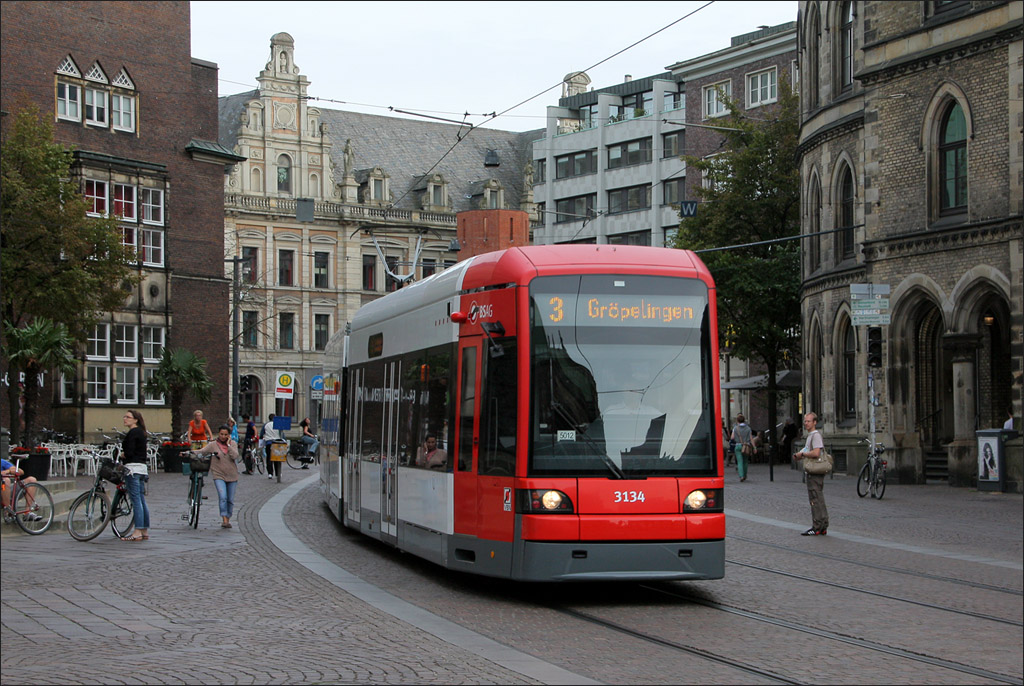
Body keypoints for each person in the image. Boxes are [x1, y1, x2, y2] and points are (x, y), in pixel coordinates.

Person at [197, 424, 241, 528]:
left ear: (229, 435)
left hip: (232, 475)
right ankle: (224, 519)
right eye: (221, 434)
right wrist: (188, 452)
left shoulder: (233, 444)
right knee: (223, 497)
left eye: (225, 434)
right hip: (219, 475)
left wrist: (229, 445)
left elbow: (235, 456)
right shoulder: (213, 445)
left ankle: (228, 516)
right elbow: (202, 452)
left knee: (230, 499)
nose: (223, 436)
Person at [793, 412, 828, 536]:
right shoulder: (810, 436)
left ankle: (818, 526)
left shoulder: (816, 435)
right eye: (805, 421)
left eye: (808, 421)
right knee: (816, 497)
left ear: (814, 422)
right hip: (812, 471)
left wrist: (802, 454)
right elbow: (808, 449)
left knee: (815, 498)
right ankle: (821, 525)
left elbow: (816, 453)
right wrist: (800, 455)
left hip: (815, 471)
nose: (806, 423)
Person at [120, 410, 151, 541]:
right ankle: (144, 529)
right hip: (142, 468)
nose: (125, 419)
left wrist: (123, 454)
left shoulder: (133, 432)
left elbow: (130, 451)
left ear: (135, 419)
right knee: (141, 499)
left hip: (132, 468)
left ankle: (137, 530)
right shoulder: (141, 432)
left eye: (128, 417)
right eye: (125, 416)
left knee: (136, 500)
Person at [730, 414, 753, 482]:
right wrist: (754, 447)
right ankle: (745, 475)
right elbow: (751, 438)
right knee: (745, 461)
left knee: (740, 462)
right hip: (746, 446)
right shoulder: (748, 428)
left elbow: (732, 437)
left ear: (737, 421)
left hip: (738, 445)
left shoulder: (735, 428)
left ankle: (741, 476)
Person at [262, 414, 282, 481]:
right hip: (277, 443)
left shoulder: (266, 425)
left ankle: (270, 473)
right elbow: (282, 434)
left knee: (269, 458)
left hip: (269, 443)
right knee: (277, 458)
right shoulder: (278, 424)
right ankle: (277, 473)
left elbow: (262, 434)